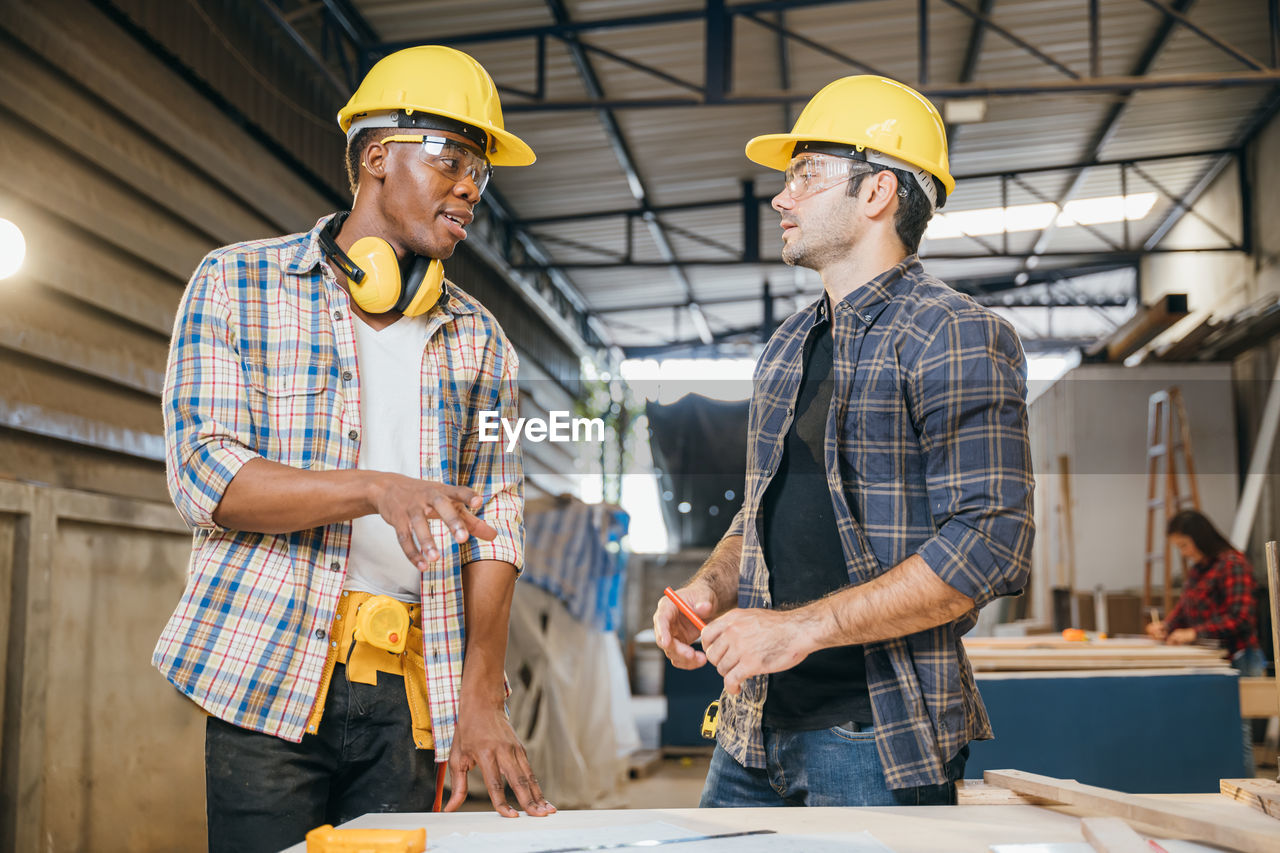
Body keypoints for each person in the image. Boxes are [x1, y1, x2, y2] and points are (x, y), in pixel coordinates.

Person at [154, 45, 554, 853]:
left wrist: (482, 690)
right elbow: (206, 474)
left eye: (480, 168)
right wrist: (377, 487)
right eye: (451, 157)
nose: (471, 185)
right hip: (264, 668)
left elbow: (500, 517)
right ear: (377, 156)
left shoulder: (481, 341)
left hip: (409, 689)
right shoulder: (237, 284)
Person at [653, 75, 1035, 807]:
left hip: (873, 739)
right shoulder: (789, 346)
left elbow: (992, 540)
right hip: (751, 731)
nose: (781, 196)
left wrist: (797, 629)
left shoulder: (953, 332)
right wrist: (708, 587)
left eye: (805, 173)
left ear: (876, 193)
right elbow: (762, 512)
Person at [1146, 509, 1264, 771]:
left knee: (1237, 733)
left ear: (1201, 538)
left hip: (1240, 658)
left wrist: (1195, 633)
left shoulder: (1233, 564)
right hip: (1213, 660)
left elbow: (1241, 618)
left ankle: (1248, 791)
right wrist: (1166, 626)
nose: (1184, 552)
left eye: (1185, 545)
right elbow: (1185, 610)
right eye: (1179, 547)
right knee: (1217, 733)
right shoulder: (1199, 570)